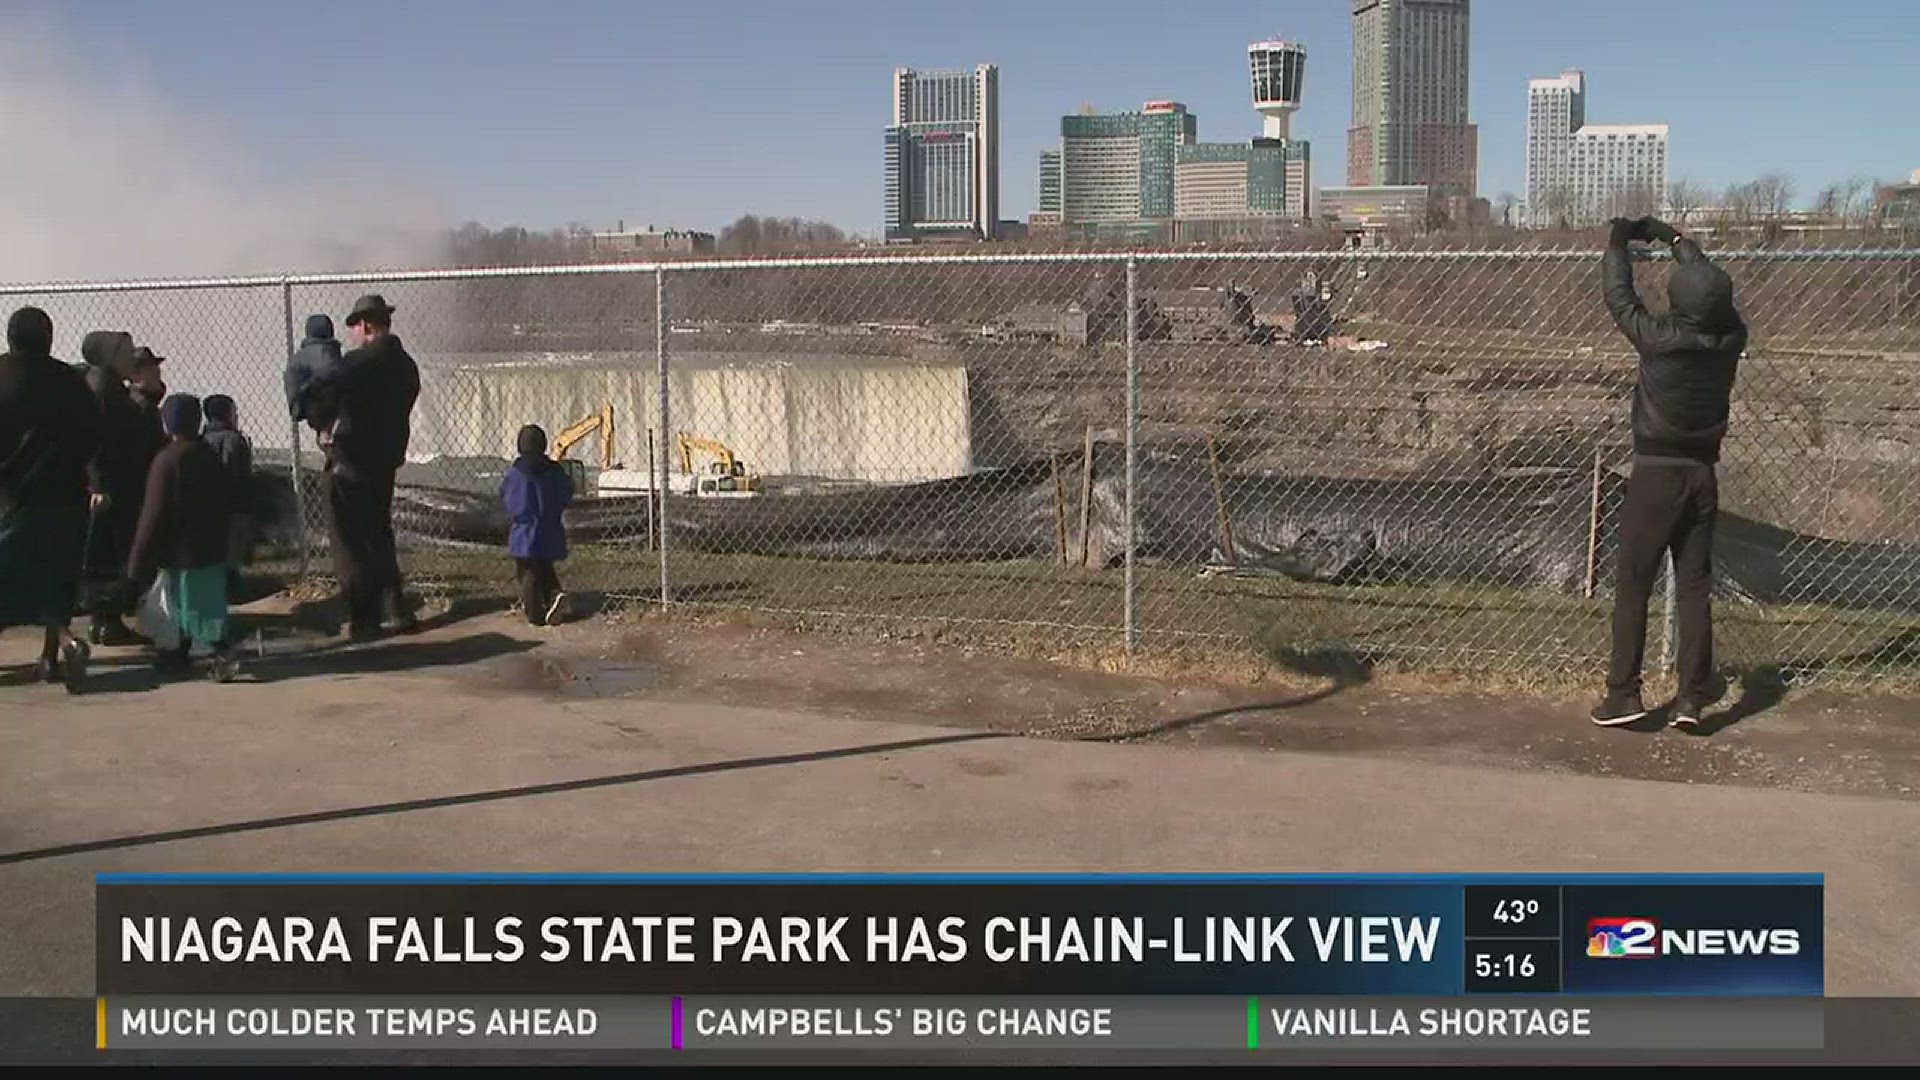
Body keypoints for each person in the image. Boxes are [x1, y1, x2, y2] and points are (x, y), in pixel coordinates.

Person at [1590, 216, 1746, 729]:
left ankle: (1623, 695)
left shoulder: (1659, 338)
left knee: (1634, 583)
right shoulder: (1731, 337)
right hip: (1702, 475)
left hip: (1656, 475)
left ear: (1678, 302)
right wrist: (1677, 241)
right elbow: (1710, 289)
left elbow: (1619, 297)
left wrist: (1619, 242)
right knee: (1695, 586)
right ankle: (1691, 700)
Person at [307, 294, 421, 640]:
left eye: (354, 327)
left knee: (350, 541)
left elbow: (323, 392)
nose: (352, 334)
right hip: (385, 459)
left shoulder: (356, 364)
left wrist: (320, 421)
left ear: (366, 326)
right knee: (379, 533)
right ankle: (395, 609)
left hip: (350, 459)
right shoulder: (406, 365)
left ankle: (365, 618)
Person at [0, 307, 102, 687]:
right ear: (49, 338)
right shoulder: (71, 381)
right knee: (56, 581)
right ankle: (58, 649)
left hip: (10, 499)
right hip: (65, 498)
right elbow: (92, 438)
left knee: (8, 579)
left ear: (10, 337)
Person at [126, 394, 239, 682]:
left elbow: (153, 512)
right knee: (205, 604)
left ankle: (211, 652)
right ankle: (194, 649)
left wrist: (137, 561)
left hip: (178, 550)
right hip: (211, 547)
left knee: (180, 603)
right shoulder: (209, 455)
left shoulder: (166, 461)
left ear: (167, 424)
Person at [79, 333, 168, 646]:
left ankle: (105, 620)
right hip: (113, 486)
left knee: (110, 554)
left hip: (118, 483)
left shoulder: (110, 386)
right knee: (110, 555)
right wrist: (98, 484)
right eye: (126, 351)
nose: (131, 357)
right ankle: (107, 622)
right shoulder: (103, 388)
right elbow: (95, 441)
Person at [499, 424, 574, 627]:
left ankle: (535, 615)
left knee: (527, 572)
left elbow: (506, 496)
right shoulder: (554, 470)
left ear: (519, 446)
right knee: (545, 566)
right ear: (543, 445)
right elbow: (567, 490)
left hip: (524, 531)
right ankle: (554, 596)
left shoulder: (516, 473)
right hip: (550, 528)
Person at [200, 394, 254, 593]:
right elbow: (242, 477)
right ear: (228, 414)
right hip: (234, 507)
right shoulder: (235, 440)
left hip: (208, 507)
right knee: (232, 552)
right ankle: (232, 587)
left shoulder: (201, 440)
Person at [285, 313, 343, 434]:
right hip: (337, 409)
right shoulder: (333, 353)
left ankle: (324, 432)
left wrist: (297, 407)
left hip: (309, 407)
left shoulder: (297, 358)